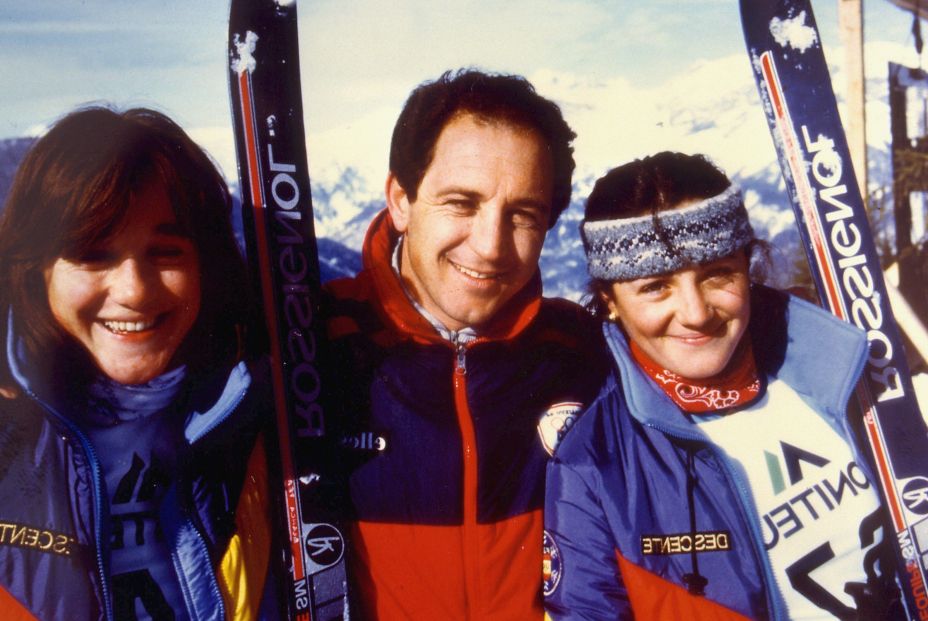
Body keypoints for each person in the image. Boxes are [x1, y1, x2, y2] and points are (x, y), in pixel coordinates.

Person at [543, 152, 901, 620]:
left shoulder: (847, 371)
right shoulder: (595, 468)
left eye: (717, 274)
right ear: (610, 301)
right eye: (656, 287)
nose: (696, 312)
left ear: (747, 268)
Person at [321, 69, 609, 618]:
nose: (490, 245)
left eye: (523, 215)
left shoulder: (578, 355)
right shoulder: (319, 342)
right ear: (400, 199)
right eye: (461, 203)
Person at [0, 106, 274, 620]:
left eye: (165, 252)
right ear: (36, 268)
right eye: (94, 255)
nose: (134, 290)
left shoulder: (260, 416)